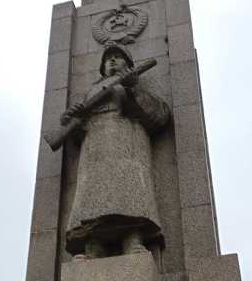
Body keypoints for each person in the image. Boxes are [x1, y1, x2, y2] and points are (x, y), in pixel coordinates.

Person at [61, 42, 170, 258]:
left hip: (127, 139)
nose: (112, 60)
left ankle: (133, 239)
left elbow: (160, 116)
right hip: (95, 145)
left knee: (129, 190)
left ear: (128, 64)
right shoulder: (92, 91)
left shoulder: (132, 87)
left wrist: (131, 91)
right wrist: (72, 120)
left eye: (117, 57)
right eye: (107, 58)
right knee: (92, 196)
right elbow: (78, 132)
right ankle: (93, 245)